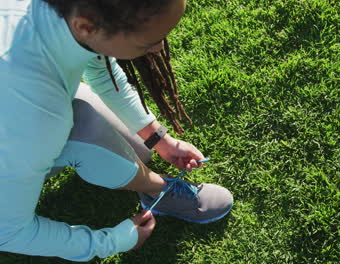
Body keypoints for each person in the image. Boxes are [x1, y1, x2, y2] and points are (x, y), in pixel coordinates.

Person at [0, 0, 233, 261]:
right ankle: (158, 188)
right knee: (83, 129)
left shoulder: (74, 19)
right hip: (21, 124)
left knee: (135, 148)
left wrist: (159, 139)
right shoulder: (34, 114)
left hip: (30, 108)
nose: (158, 47)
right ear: (86, 26)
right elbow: (8, 231)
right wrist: (110, 241)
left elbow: (100, 67)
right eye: (147, 43)